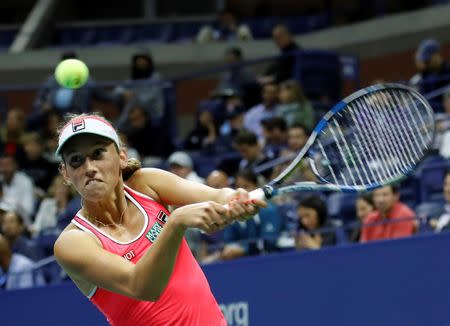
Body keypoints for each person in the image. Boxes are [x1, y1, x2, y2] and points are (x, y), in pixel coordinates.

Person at [53, 113, 266, 325]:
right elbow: (142, 286)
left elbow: (218, 196)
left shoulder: (147, 184)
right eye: (76, 161)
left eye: (98, 153)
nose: (89, 168)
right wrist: (175, 223)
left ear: (121, 157)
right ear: (66, 174)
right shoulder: (73, 243)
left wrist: (237, 199)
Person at [114, 50, 166, 130]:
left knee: (132, 102)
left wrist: (135, 99)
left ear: (148, 62)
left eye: (143, 60)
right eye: (138, 60)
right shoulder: (133, 78)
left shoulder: (156, 77)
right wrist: (125, 92)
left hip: (152, 111)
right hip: (136, 110)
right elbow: (117, 90)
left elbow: (151, 97)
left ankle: (119, 127)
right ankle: (120, 129)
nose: (140, 62)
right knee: (127, 101)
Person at [0, 152, 35, 225]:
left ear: (15, 165)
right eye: (2, 165)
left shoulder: (25, 181)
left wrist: (6, 203)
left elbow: (29, 210)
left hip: (21, 223)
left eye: (7, 165)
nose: (4, 169)